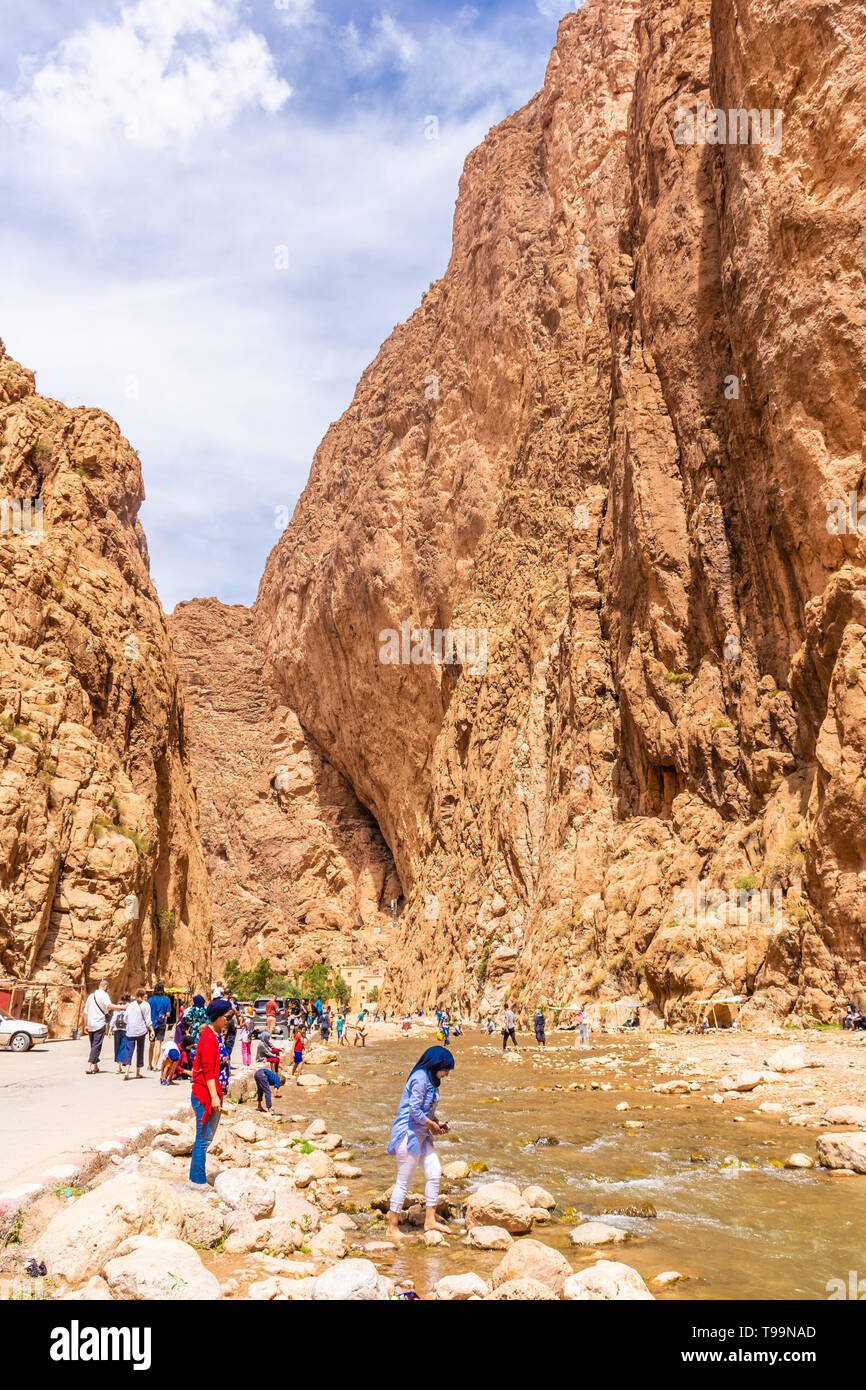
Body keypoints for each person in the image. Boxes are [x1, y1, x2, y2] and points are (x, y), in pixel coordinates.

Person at [386, 1046, 455, 1240]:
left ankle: (430, 1221)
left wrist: (437, 1123)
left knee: (434, 1172)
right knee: (403, 1182)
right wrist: (432, 1124)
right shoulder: (420, 1078)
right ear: (436, 1065)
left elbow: (426, 1112)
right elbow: (415, 1111)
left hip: (423, 1135)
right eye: (446, 1069)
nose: (447, 1074)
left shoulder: (431, 1080)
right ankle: (392, 1228)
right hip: (408, 1135)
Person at [189, 998, 233, 1186]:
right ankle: (197, 1181)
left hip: (213, 1095)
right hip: (205, 1096)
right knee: (203, 1139)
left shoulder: (215, 1034)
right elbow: (208, 1070)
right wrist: (214, 1097)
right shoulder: (208, 1038)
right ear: (216, 1017)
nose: (229, 1021)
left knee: (206, 1138)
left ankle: (196, 1177)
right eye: (227, 1017)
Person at [84, 979, 119, 1073]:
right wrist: (122, 1007)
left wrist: (85, 1025)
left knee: (93, 1045)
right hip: (99, 1023)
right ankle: (89, 1066)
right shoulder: (104, 995)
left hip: (90, 1024)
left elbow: (85, 1012)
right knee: (96, 1045)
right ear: (105, 987)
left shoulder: (91, 996)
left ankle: (95, 1066)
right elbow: (109, 1006)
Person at [121, 990, 154, 1080]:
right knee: (140, 1050)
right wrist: (152, 1030)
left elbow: (125, 1018)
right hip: (141, 1031)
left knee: (128, 1050)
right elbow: (148, 1020)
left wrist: (130, 1024)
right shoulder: (146, 1005)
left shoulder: (131, 1005)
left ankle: (127, 1072)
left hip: (130, 1031)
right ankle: (138, 1073)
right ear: (144, 995)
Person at [147, 982, 172, 1071]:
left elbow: (147, 1012)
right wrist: (164, 1014)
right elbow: (168, 1014)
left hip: (151, 1025)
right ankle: (155, 1065)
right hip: (161, 1024)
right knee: (158, 1044)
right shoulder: (167, 1000)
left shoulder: (150, 1000)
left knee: (151, 1044)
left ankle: (149, 1064)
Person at [111, 994, 131, 1072]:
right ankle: (122, 1065)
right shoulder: (130, 1007)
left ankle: (118, 1066)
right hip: (126, 1029)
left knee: (117, 1047)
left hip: (116, 1029)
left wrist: (110, 1029)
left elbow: (113, 1018)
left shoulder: (118, 1007)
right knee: (123, 1047)